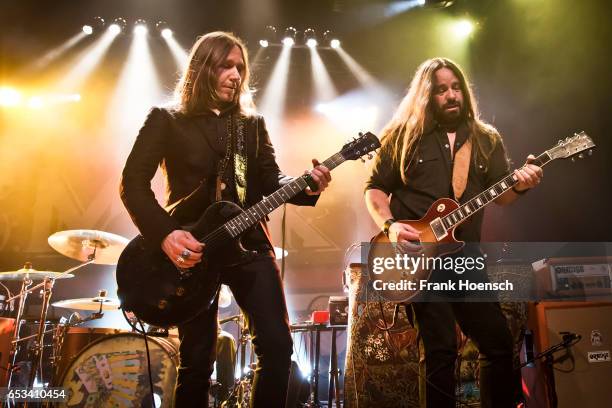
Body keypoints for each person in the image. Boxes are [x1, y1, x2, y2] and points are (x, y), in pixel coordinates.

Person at [120, 31, 331, 407]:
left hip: (248, 241)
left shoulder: (250, 124)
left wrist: (307, 186)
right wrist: (166, 235)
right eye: (226, 66)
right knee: (197, 360)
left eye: (240, 67)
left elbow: (270, 179)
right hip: (192, 247)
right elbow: (132, 184)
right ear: (203, 69)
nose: (236, 75)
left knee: (279, 347)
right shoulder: (167, 120)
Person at [364, 58, 542, 408]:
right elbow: (374, 189)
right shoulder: (402, 137)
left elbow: (501, 196)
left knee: (497, 344)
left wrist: (521, 185)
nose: (451, 95)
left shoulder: (485, 139)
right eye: (441, 89)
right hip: (416, 256)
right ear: (427, 95)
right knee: (440, 348)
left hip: (464, 257)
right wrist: (391, 226)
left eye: (456, 87)